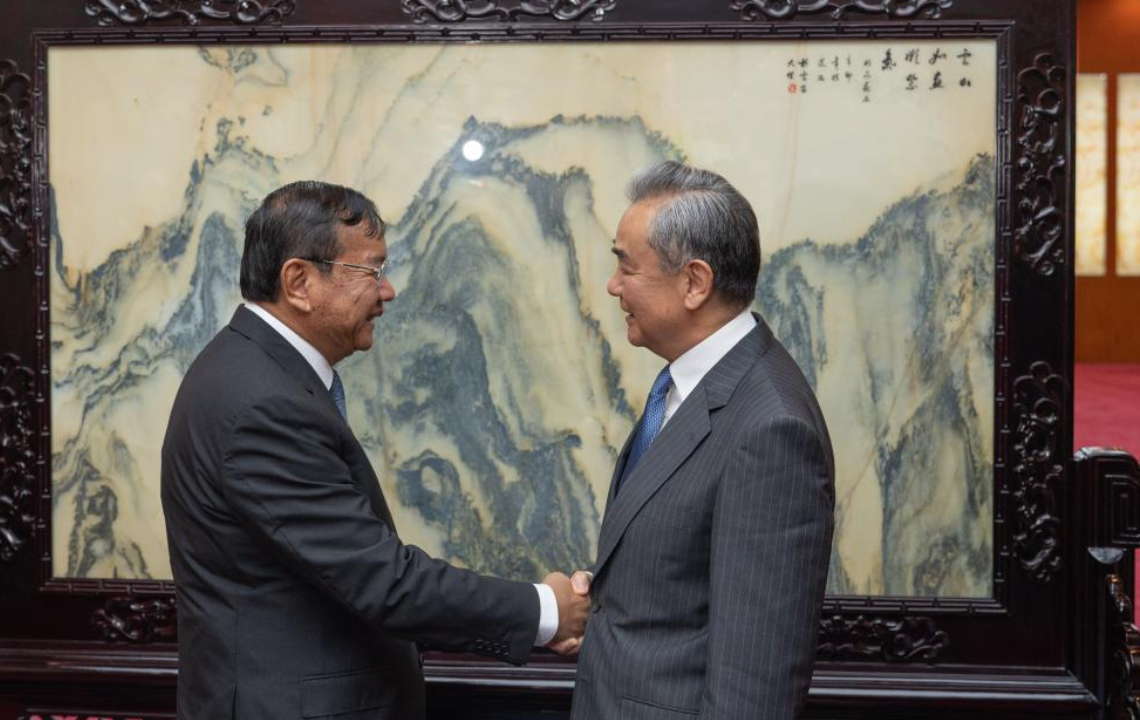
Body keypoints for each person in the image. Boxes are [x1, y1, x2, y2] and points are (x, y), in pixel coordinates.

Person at [161, 181, 588, 720]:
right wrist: (547, 608)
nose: (388, 293)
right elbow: (382, 580)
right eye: (372, 272)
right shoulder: (262, 404)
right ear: (299, 281)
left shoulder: (254, 374)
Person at [569, 161, 835, 719]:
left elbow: (754, 684)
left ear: (694, 282)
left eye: (626, 267)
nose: (614, 286)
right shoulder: (690, 383)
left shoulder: (770, 429)